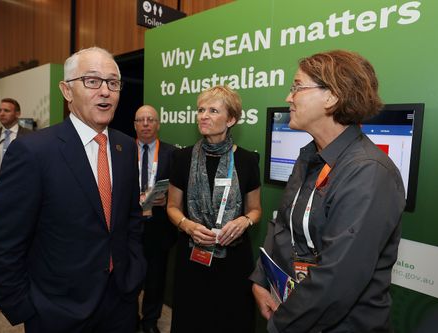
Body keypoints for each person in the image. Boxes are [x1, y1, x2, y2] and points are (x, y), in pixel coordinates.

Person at [0, 47, 146, 333]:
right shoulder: (33, 152)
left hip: (121, 301)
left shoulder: (125, 147)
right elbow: (1, 243)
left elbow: (130, 218)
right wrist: (26, 308)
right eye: (92, 81)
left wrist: (134, 270)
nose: (105, 91)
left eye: (113, 82)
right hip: (57, 311)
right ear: (67, 91)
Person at [250, 50, 406, 332]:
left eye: (297, 87)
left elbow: (337, 279)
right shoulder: (309, 155)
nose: (289, 97)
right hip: (299, 312)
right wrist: (261, 280)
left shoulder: (368, 171)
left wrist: (281, 325)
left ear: (332, 97)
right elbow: (283, 224)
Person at [167, 85, 262, 333]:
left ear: (231, 119)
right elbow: (172, 207)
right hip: (193, 257)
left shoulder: (248, 161)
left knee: (231, 321)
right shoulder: (182, 158)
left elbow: (255, 210)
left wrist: (245, 222)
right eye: (200, 110)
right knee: (193, 320)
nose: (203, 116)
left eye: (212, 110)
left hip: (234, 260)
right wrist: (187, 226)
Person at [134, 105, 177, 333]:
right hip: (129, 227)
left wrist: (167, 196)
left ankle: (150, 322)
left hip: (159, 227)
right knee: (129, 277)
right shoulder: (121, 150)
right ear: (135, 125)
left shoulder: (171, 153)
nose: (146, 124)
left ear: (158, 124)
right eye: (141, 120)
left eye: (150, 119)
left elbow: (179, 189)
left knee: (156, 279)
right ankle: (130, 319)